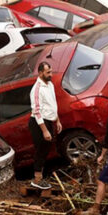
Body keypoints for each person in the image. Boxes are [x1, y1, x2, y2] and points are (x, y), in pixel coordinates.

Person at [28, 62, 61, 190]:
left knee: (47, 148)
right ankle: (37, 179)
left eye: (51, 72)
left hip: (49, 120)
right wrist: (45, 130)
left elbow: (52, 104)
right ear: (40, 73)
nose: (51, 75)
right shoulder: (37, 89)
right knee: (41, 150)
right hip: (39, 123)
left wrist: (57, 120)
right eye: (48, 73)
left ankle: (41, 176)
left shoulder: (50, 85)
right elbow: (37, 111)